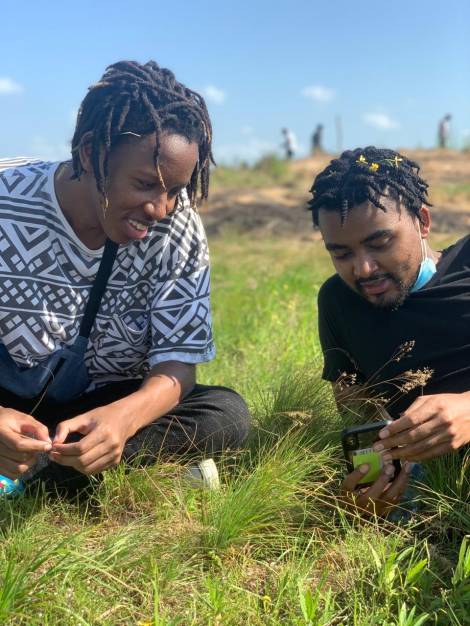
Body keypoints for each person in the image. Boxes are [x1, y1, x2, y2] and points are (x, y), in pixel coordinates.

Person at [0, 60, 250, 497]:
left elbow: (176, 365)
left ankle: (38, 473)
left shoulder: (177, 226)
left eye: (175, 190)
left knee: (225, 413)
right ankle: (64, 478)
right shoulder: (7, 196)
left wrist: (123, 419)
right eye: (144, 184)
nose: (160, 209)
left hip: (96, 410)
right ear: (90, 153)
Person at [309, 146, 470, 516]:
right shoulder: (338, 302)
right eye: (341, 254)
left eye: (379, 243)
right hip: (431, 486)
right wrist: (369, 487)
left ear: (422, 222)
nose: (364, 269)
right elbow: (359, 416)